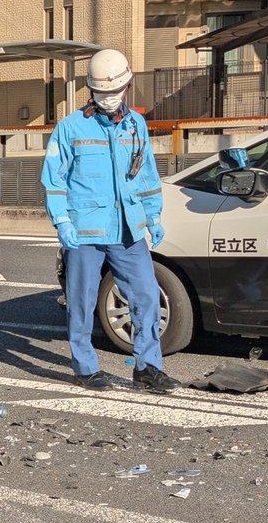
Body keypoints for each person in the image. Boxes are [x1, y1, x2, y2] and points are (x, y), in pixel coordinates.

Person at [41, 48, 175, 394]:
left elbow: (145, 174)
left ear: (127, 87)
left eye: (115, 93)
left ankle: (147, 367)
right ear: (92, 90)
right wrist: (62, 223)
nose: (110, 100)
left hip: (127, 229)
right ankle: (85, 368)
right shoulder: (70, 128)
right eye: (102, 94)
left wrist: (153, 215)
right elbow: (54, 179)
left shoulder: (136, 125)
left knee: (147, 295)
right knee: (82, 302)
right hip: (84, 232)